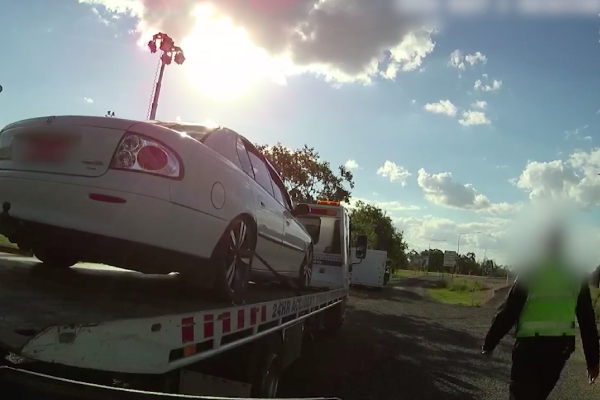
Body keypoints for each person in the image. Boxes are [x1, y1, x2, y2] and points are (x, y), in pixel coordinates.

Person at [481, 226, 600, 400]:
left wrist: (490, 343)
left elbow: (509, 311)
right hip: (560, 349)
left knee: (521, 394)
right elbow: (587, 320)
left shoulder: (531, 272)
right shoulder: (576, 276)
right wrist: (593, 361)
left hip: (529, 347)